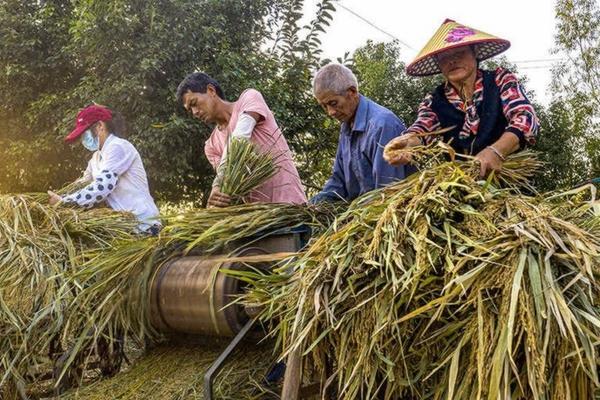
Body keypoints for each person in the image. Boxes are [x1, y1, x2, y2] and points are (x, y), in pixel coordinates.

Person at [384, 19, 539, 177]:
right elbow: (423, 129)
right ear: (438, 64)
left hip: (510, 185)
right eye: (444, 57)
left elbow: (525, 118)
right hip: (461, 187)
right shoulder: (433, 102)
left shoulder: (500, 80)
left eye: (460, 53)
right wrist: (408, 142)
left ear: (475, 52)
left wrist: (496, 151)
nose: (452, 61)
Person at [176, 72, 307, 207]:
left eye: (194, 103)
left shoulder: (249, 98)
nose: (195, 112)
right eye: (190, 109)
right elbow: (231, 184)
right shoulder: (211, 146)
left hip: (292, 207)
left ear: (211, 90)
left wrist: (217, 183)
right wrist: (220, 199)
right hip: (259, 221)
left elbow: (240, 137)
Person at [48, 104, 161, 234]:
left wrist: (64, 202)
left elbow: (103, 186)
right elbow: (82, 183)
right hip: (127, 227)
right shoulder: (96, 158)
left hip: (144, 224)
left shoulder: (118, 147)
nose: (83, 140)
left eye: (85, 134)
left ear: (100, 126)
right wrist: (59, 196)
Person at [310, 63, 413, 203]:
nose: (330, 112)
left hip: (387, 213)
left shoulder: (382, 125)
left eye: (333, 103)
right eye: (324, 106)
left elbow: (388, 192)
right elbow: (338, 182)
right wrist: (313, 205)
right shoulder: (346, 127)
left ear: (352, 92)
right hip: (362, 213)